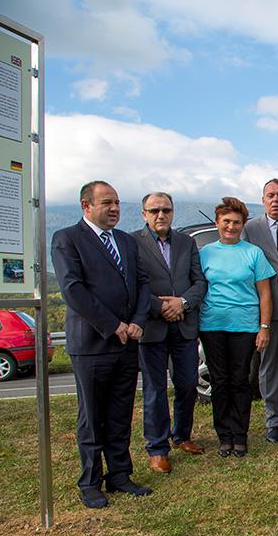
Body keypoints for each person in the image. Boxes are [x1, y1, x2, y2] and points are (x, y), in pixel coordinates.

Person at [52, 180, 151, 509]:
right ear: (86, 205)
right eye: (107, 202)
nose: (114, 209)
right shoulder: (68, 238)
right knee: (92, 417)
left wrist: (137, 321)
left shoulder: (125, 241)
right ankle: (91, 482)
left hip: (128, 343)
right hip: (93, 344)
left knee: (121, 413)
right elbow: (73, 289)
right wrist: (113, 325)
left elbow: (142, 283)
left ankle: (120, 474)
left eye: (117, 203)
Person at [132, 192, 208, 473]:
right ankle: (157, 447)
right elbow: (133, 285)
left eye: (166, 209)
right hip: (152, 326)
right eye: (154, 210)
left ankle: (182, 435)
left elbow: (199, 282)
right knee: (155, 389)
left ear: (173, 212)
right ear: (144, 214)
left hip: (184, 324)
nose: (161, 215)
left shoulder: (186, 242)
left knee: (188, 384)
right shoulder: (133, 242)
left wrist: (182, 303)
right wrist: (160, 306)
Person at [200, 197, 275, 458]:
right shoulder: (205, 253)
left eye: (236, 222)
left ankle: (240, 434)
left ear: (243, 225)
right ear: (217, 223)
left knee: (241, 381)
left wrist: (264, 327)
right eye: (226, 221)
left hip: (245, 326)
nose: (231, 227)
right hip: (212, 325)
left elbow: (265, 294)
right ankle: (224, 435)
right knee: (220, 381)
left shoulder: (253, 253)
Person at [242, 178, 278, 444]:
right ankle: (273, 422)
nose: (276, 200)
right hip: (269, 308)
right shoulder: (250, 228)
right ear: (263, 200)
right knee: (270, 367)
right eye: (271, 195)